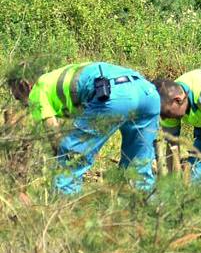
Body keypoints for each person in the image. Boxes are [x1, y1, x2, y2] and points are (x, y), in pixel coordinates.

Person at [6, 61, 159, 194]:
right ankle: (149, 214)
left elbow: (54, 135)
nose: (23, 104)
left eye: (19, 97)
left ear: (25, 85)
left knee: (70, 159)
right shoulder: (59, 75)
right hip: (148, 92)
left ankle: (65, 213)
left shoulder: (38, 90)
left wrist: (61, 156)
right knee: (138, 166)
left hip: (114, 94)